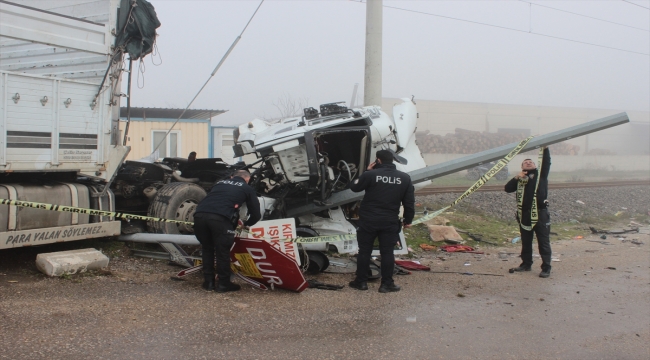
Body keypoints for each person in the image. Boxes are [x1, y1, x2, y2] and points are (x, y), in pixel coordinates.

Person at [349, 149, 415, 293]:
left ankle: (361, 282)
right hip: (389, 221)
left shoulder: (371, 175)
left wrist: (366, 172)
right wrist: (408, 220)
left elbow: (354, 187)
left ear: (378, 160)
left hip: (368, 220)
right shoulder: (404, 178)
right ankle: (387, 284)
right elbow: (409, 202)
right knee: (387, 253)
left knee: (364, 251)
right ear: (392, 160)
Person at [193, 170, 261, 292]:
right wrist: (246, 224)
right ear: (247, 179)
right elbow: (256, 214)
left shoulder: (219, 184)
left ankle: (208, 283)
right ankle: (223, 284)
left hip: (199, 216)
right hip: (220, 219)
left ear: (231, 177)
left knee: (207, 249)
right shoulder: (247, 188)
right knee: (222, 251)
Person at [504, 147, 552, 278]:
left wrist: (545, 149)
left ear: (535, 165)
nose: (528, 163)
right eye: (525, 162)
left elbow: (547, 162)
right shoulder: (520, 179)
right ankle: (526, 264)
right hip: (524, 215)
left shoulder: (541, 175)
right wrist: (516, 177)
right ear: (522, 167)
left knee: (543, 241)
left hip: (540, 214)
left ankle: (546, 268)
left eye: (531, 162)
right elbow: (507, 189)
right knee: (526, 241)